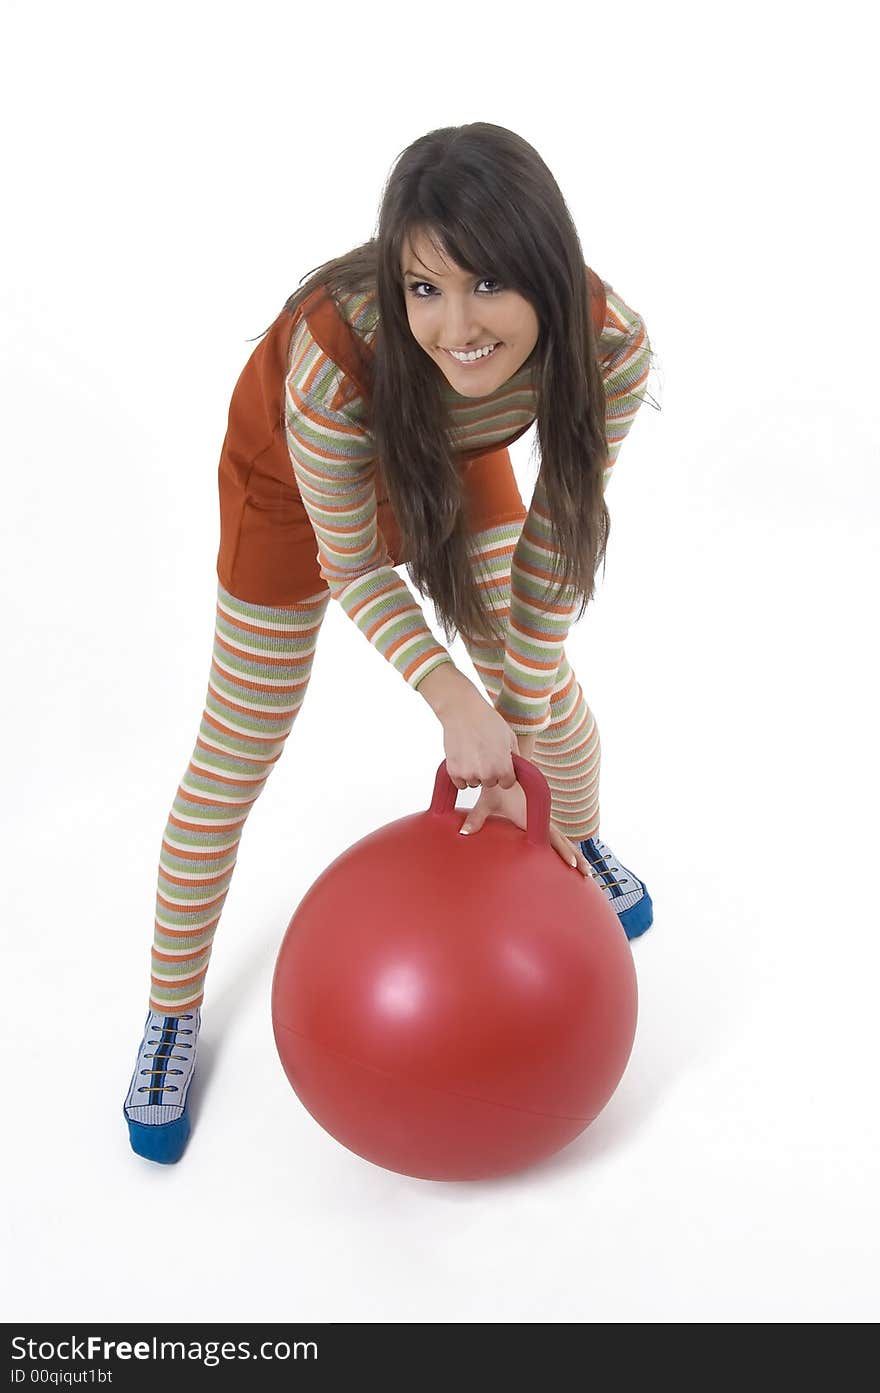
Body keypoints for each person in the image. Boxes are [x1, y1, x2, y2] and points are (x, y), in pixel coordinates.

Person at [123, 122, 659, 1165]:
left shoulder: (610, 346)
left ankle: (576, 846)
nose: (455, 326)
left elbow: (553, 544)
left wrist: (516, 700)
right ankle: (168, 1016)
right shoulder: (332, 358)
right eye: (424, 289)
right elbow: (356, 564)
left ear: (546, 270)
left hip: (451, 453)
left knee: (542, 687)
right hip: (299, 493)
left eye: (487, 285)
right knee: (235, 756)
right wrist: (455, 700)